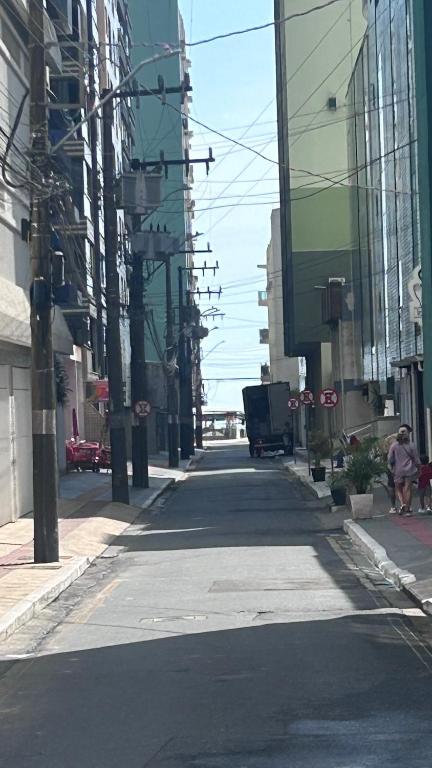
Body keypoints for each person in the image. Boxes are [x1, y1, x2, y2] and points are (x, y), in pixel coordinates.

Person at [387, 426, 421, 516]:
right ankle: (408, 508)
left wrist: (391, 468)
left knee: (398, 489)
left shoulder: (394, 445)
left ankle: (403, 504)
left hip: (397, 470)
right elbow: (416, 459)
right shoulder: (411, 445)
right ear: (407, 434)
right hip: (409, 470)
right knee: (407, 489)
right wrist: (419, 469)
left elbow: (389, 458)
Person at [383, 424, 413, 514]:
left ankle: (393, 507)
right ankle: (407, 506)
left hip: (392, 466)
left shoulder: (388, 440)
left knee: (393, 486)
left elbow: (385, 454)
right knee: (406, 486)